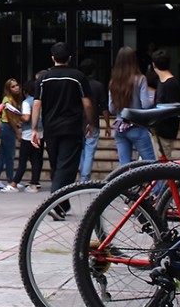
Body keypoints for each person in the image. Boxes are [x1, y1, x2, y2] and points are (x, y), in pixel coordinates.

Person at [32, 42, 93, 214]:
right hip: (71, 128)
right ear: (70, 58)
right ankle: (53, 204)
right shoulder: (78, 77)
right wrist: (91, 122)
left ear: (53, 58)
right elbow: (87, 103)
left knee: (57, 167)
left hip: (51, 129)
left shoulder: (44, 78)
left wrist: (35, 128)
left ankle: (62, 205)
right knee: (66, 168)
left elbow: (37, 104)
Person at [109, 47, 155, 166]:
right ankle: (157, 186)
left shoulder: (114, 81)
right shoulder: (140, 79)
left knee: (124, 166)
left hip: (119, 127)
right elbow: (145, 105)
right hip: (137, 126)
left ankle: (124, 185)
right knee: (151, 165)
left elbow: (112, 109)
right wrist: (152, 99)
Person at [78, 58, 110, 183]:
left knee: (81, 150)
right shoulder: (98, 86)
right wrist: (107, 124)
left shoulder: (77, 84)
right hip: (92, 121)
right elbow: (104, 106)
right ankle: (84, 178)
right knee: (89, 150)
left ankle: (83, 174)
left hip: (78, 121)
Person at [7, 77, 42, 192]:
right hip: (40, 133)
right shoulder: (40, 101)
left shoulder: (27, 102)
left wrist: (17, 114)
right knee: (36, 159)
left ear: (25, 92)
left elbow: (26, 118)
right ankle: (34, 184)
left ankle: (14, 183)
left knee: (23, 160)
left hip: (28, 134)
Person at [150, 49, 180, 146]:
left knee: (162, 160)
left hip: (165, 132)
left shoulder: (170, 84)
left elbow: (173, 110)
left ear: (154, 65)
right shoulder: (162, 82)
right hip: (159, 131)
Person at [0, 78, 22, 189]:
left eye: (17, 85)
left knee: (2, 153)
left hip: (9, 127)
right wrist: (16, 131)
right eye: (13, 86)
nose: (16, 88)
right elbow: (10, 117)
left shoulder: (16, 99)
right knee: (10, 154)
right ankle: (10, 179)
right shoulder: (7, 99)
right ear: (8, 89)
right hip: (7, 127)